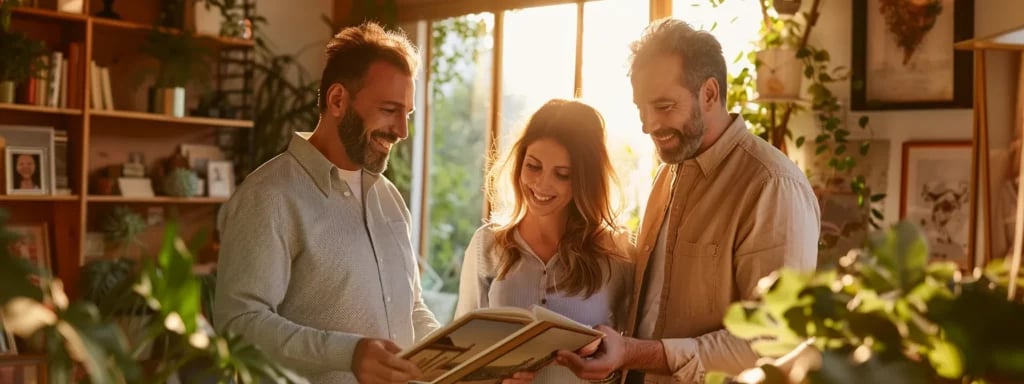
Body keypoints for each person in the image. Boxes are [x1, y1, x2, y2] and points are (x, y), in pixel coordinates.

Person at [555, 18, 820, 383]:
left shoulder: (772, 186)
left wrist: (633, 352)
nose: (648, 125)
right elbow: (646, 309)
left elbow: (774, 339)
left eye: (663, 106)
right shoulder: (669, 172)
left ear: (709, 94)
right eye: (641, 109)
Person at [215, 22, 446, 384]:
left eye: (407, 114)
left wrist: (462, 357)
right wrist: (349, 354)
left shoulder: (389, 199)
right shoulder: (269, 196)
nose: (402, 131)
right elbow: (239, 323)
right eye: (389, 110)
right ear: (338, 100)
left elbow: (410, 308)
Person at [456, 99, 634, 383]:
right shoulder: (487, 245)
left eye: (562, 174)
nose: (541, 184)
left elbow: (628, 360)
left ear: (584, 179)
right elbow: (461, 360)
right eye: (533, 166)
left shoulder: (616, 255)